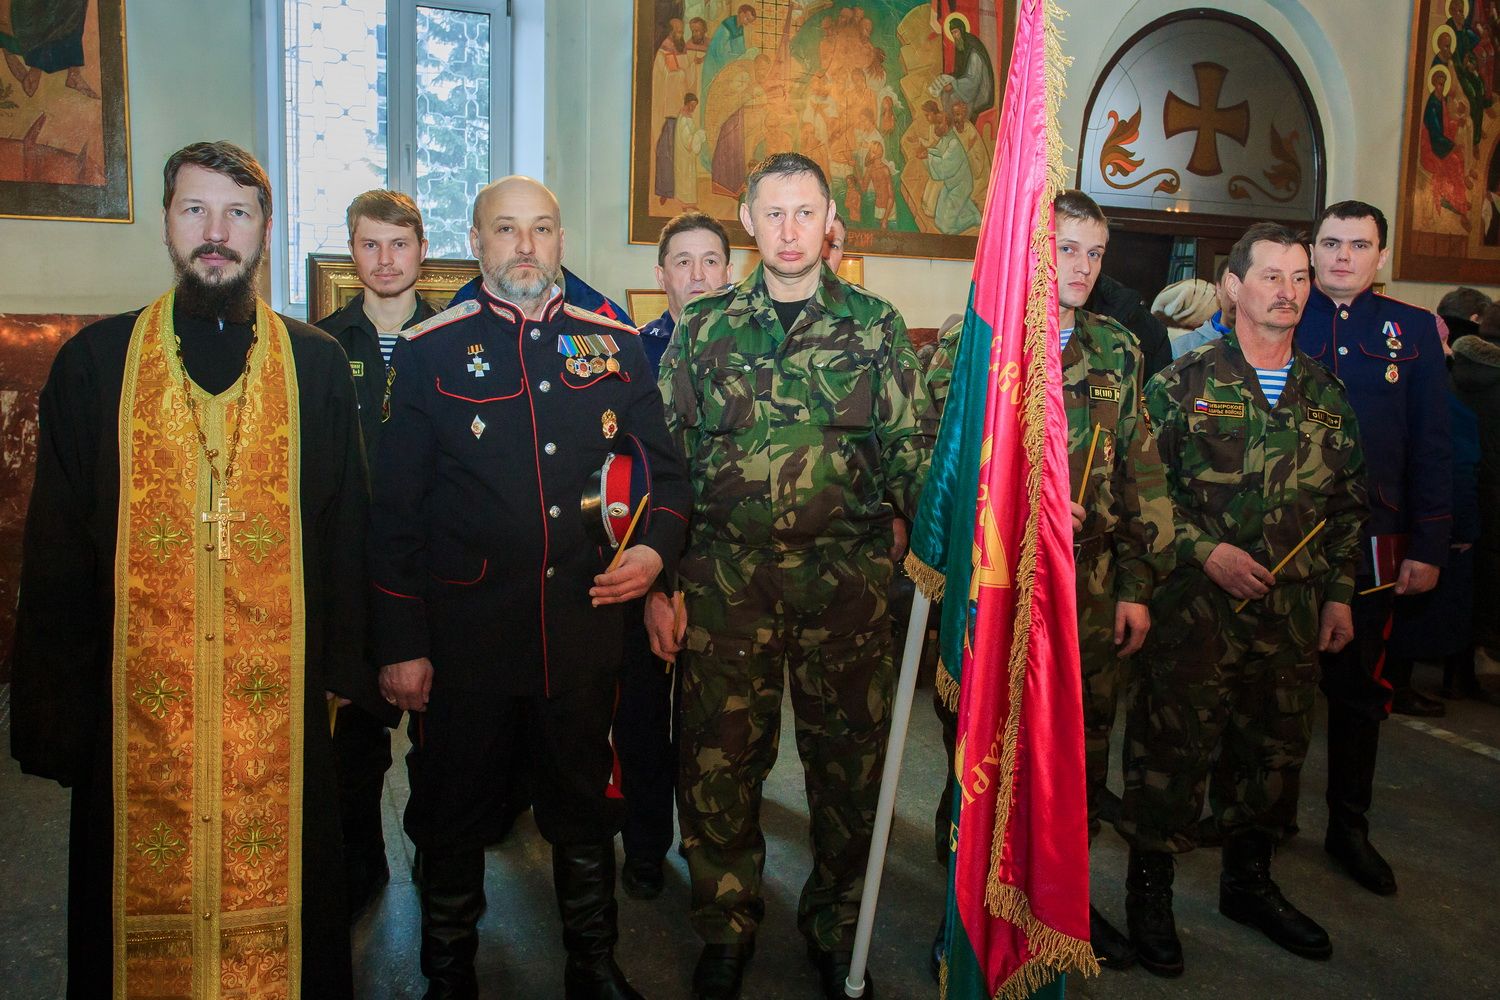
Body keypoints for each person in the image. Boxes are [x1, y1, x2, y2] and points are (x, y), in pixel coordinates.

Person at [10, 140, 372, 999]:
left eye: (238, 213)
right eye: (196, 210)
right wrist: (56, 710)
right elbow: (57, 548)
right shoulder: (96, 364)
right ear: (167, 224)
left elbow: (345, 531)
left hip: (280, 709)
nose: (217, 231)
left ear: (265, 231)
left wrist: (350, 680)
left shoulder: (314, 365)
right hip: (134, 708)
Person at [370, 175, 691, 1000]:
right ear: (475, 243)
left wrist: (654, 554)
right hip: (466, 641)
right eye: (507, 229)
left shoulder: (612, 344)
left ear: (560, 242)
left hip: (581, 632)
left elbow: (667, 478)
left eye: (541, 229)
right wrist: (402, 643)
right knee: (451, 811)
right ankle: (448, 974)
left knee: (584, 806)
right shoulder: (430, 349)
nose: (525, 246)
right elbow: (396, 513)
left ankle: (593, 966)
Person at [652, 152, 933, 1000]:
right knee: (718, 769)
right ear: (747, 220)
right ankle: (726, 926)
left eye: (805, 212)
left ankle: (837, 926)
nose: (789, 230)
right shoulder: (704, 330)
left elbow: (912, 453)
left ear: (829, 219)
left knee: (848, 773)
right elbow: (665, 466)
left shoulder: (876, 327)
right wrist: (661, 583)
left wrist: (962, 530)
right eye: (773, 213)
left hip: (844, 590)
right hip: (725, 589)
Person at [1119, 222, 1365, 976]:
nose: (1288, 291)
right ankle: (1150, 897)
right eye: (1271, 276)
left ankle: (1249, 884)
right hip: (1195, 612)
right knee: (1171, 756)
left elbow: (1346, 507)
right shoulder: (1180, 385)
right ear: (1233, 286)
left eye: (1299, 277)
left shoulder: (1327, 395)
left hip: (1289, 617)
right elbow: (1142, 495)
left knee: (1273, 755)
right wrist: (1207, 552)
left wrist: (1339, 597)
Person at [1297, 200, 1452, 896]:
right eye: (1331, 242)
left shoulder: (1411, 330)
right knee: (1266, 687)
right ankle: (1260, 819)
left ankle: (1349, 828)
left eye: (1359, 245)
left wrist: (1430, 543)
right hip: (1283, 538)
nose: (1343, 256)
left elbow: (1432, 444)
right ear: (1312, 249)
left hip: (1372, 540)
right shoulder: (1280, 310)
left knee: (1358, 693)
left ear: (1380, 256)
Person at [1049, 191, 1176, 970]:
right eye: (1067, 248)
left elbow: (1143, 475)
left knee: (1083, 749)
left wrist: (1137, 583)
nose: (1083, 266)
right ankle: (973, 906)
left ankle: (1069, 898)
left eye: (1095, 253)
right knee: (986, 747)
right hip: (1002, 588)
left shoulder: (1118, 350)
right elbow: (937, 467)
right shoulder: (980, 343)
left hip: (1091, 591)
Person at [311, 188, 435, 917]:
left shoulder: (456, 341)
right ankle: (360, 867)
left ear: (422, 251)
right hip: (352, 577)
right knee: (352, 742)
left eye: (399, 244)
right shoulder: (319, 347)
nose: (385, 260)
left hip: (436, 575)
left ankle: (437, 856)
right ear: (351, 252)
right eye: (369, 244)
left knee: (442, 742)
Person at [617, 211, 732, 902]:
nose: (698, 275)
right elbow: (623, 478)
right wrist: (655, 581)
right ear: (660, 275)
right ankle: (645, 845)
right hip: (651, 565)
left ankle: (713, 848)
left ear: (729, 271)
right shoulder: (629, 357)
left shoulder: (755, 354)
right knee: (641, 720)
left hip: (728, 576)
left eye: (710, 260)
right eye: (682, 262)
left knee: (716, 728)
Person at [1454, 305, 1500, 669]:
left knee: (1462, 586)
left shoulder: (1449, 373)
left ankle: (1459, 666)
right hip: (1494, 498)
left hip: (1459, 494)